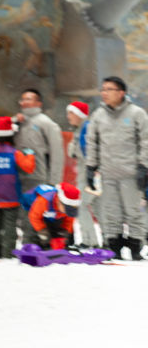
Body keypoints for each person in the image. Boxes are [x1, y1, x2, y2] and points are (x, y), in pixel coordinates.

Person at [85, 76, 147, 260]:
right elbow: (92, 142)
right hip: (108, 174)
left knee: (133, 212)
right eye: (103, 89)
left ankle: (135, 247)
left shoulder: (136, 114)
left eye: (109, 89)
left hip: (131, 174)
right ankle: (114, 247)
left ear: (121, 92)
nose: (104, 93)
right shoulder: (98, 115)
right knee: (111, 213)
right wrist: (91, 166)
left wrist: (144, 166)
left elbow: (145, 141)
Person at [0, 116, 36, 258]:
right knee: (10, 225)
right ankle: (7, 254)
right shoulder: (14, 153)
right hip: (11, 196)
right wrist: (30, 154)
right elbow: (29, 168)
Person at [13, 88, 65, 194]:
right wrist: (14, 123)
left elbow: (57, 152)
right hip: (17, 176)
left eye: (28, 99)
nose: (24, 102)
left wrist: (54, 180)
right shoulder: (16, 121)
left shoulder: (46, 123)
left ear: (38, 103)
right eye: (22, 99)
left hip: (39, 177)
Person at [65, 101, 100, 248]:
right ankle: (103, 241)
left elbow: (88, 153)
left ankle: (89, 241)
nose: (68, 116)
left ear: (79, 114)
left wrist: (94, 172)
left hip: (90, 174)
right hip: (88, 173)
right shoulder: (80, 129)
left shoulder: (87, 128)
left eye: (71, 113)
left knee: (81, 205)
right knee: (97, 206)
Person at [22, 183, 81, 250]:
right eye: (67, 209)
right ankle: (31, 247)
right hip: (31, 208)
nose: (68, 211)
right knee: (33, 231)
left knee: (60, 231)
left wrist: (65, 231)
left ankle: (57, 247)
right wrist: (42, 230)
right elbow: (34, 217)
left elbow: (69, 219)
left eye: (71, 209)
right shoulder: (44, 201)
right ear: (59, 200)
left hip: (52, 212)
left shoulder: (67, 209)